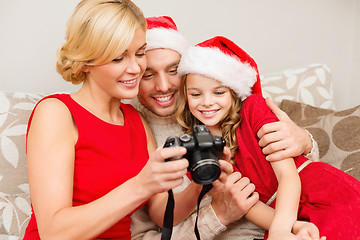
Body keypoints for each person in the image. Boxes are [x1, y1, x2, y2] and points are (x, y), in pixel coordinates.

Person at [23, 1, 212, 239]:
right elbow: (54, 231)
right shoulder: (56, 113)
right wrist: (141, 185)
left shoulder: (135, 120)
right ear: (85, 62)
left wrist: (201, 184)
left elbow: (159, 210)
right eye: (118, 58)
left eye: (140, 53)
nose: (136, 68)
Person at [130, 16, 321, 240]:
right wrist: (218, 215)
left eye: (173, 71)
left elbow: (289, 167)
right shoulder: (133, 131)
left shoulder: (225, 112)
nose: (163, 86)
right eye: (148, 75)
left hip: (290, 215)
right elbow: (152, 230)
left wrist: (305, 141)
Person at [176, 35, 360, 240]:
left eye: (218, 93)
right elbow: (248, 205)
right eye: (196, 94)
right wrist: (292, 228)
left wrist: (281, 229)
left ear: (234, 93)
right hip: (283, 216)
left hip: (319, 192)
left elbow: (287, 176)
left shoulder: (253, 109)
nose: (207, 102)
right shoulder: (200, 151)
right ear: (185, 95)